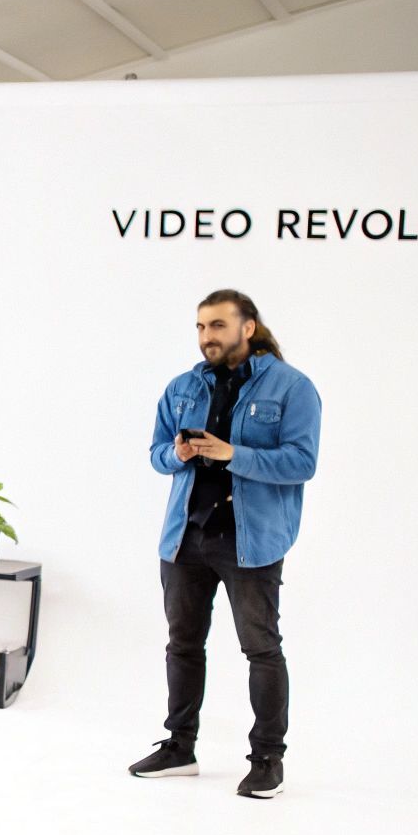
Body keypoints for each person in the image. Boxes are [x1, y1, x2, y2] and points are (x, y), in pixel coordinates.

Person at [129, 289, 320, 799]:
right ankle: (179, 747)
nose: (206, 336)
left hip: (250, 541)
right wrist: (179, 452)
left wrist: (233, 453)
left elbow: (302, 462)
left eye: (216, 325)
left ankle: (267, 760)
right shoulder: (183, 386)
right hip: (186, 538)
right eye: (200, 327)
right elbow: (155, 455)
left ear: (247, 327)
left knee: (261, 648)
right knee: (183, 645)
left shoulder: (292, 388)